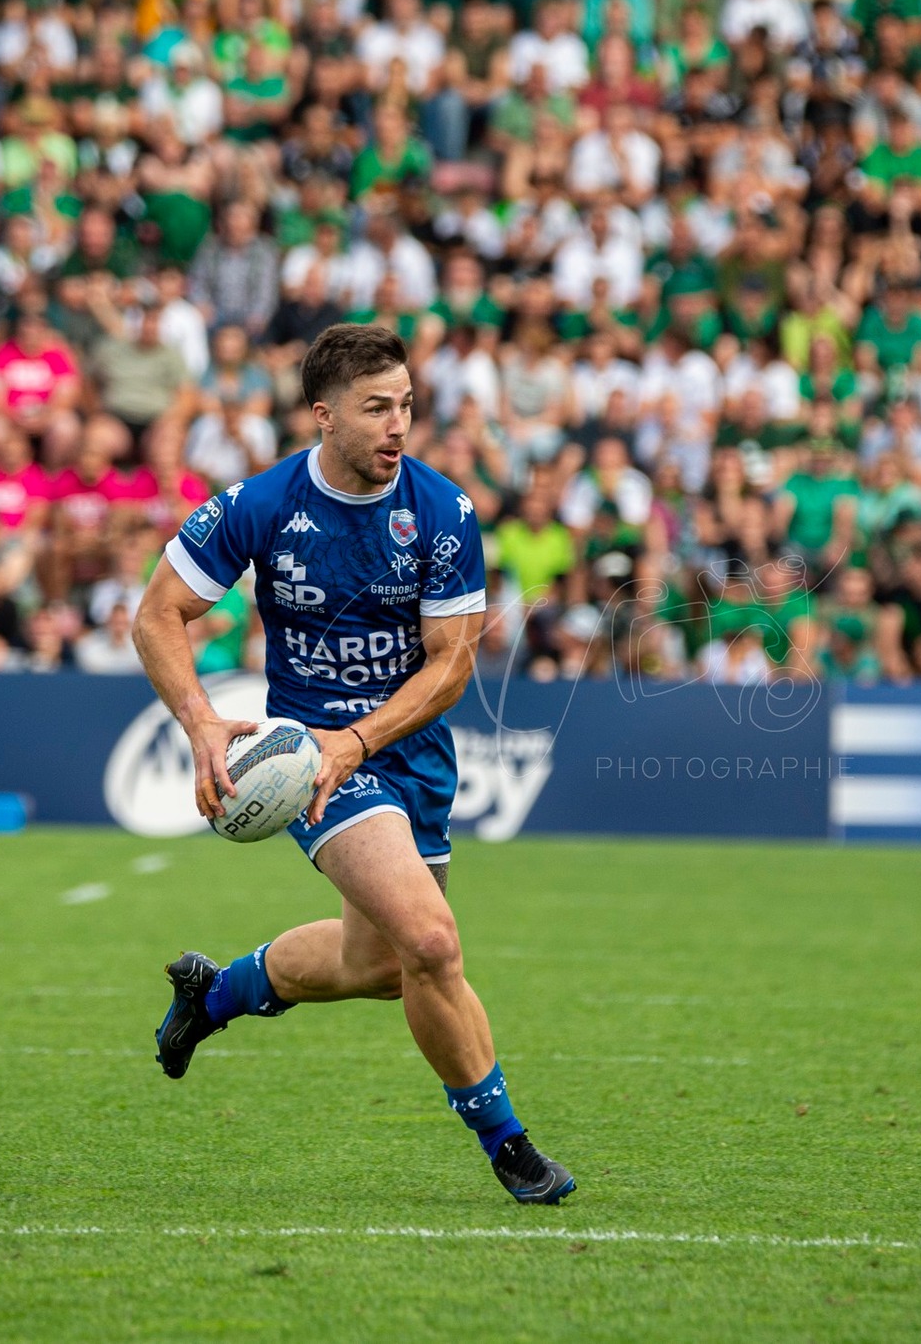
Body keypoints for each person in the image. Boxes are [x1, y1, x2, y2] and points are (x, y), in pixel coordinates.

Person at [133, 324, 575, 1205]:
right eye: (377, 408)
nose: (398, 424)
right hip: (315, 761)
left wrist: (363, 738)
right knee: (432, 941)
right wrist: (202, 723)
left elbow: (451, 666)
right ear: (324, 414)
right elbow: (157, 613)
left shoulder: (443, 511)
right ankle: (511, 1147)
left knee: (378, 964)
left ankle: (214, 994)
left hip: (408, 753)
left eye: (406, 405)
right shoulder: (260, 503)